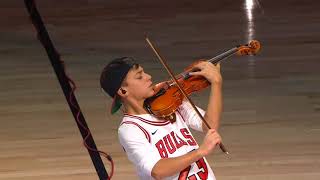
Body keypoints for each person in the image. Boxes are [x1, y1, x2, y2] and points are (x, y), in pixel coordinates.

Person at [100, 56, 223, 180]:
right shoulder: (130, 129)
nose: (149, 77)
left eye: (144, 72)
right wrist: (200, 152)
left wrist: (216, 83)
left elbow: (209, 125)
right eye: (139, 76)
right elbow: (157, 170)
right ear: (123, 91)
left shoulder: (170, 101)